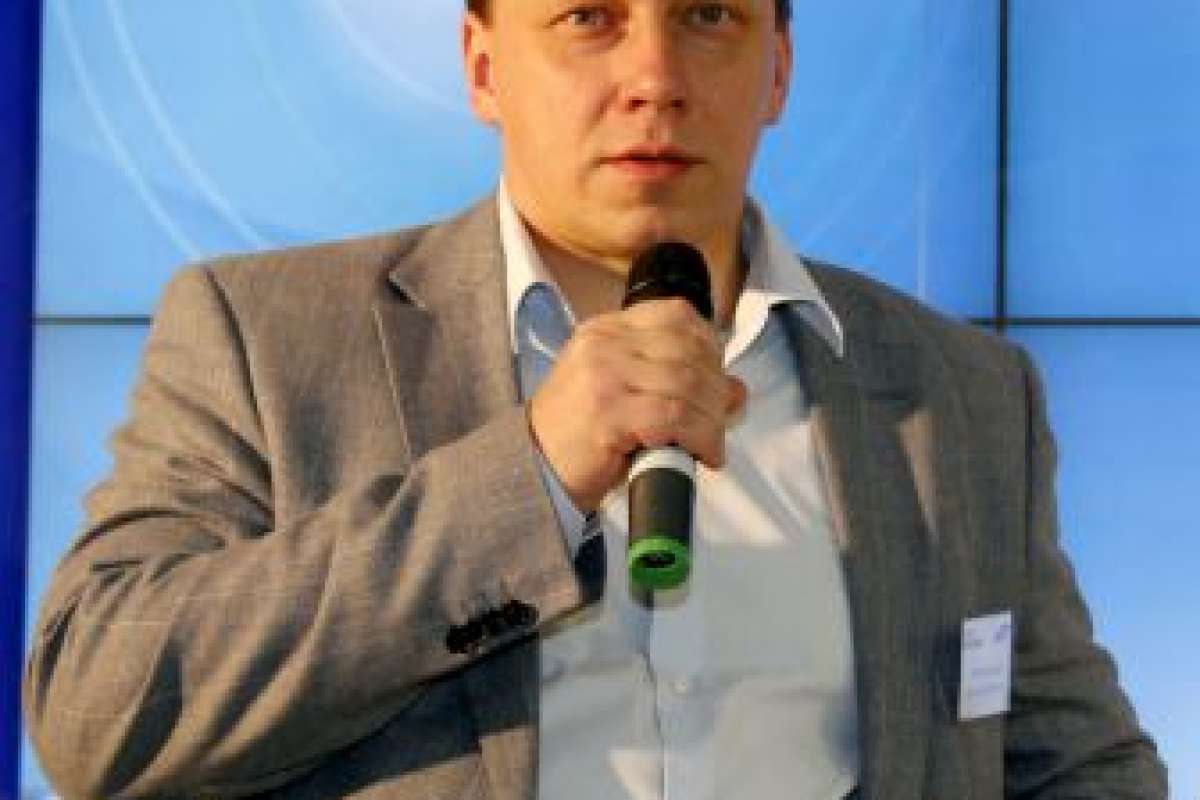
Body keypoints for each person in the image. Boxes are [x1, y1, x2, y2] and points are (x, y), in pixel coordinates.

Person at [24, 0, 1167, 797]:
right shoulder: (269, 334)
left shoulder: (958, 390)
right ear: (483, 66)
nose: (655, 79)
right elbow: (98, 709)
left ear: (777, 69)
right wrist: (529, 474)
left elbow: (1071, 763)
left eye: (708, 17)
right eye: (589, 19)